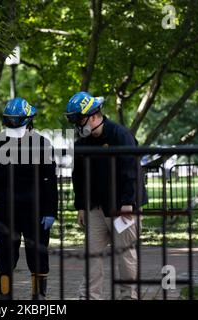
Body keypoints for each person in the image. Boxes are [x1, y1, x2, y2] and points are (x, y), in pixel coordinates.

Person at [64, 92, 147, 300]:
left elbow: (131, 171)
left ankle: (129, 297)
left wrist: (128, 202)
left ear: (93, 116)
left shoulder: (121, 135)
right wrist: (81, 206)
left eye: (78, 119)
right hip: (96, 208)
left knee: (125, 255)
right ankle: (90, 297)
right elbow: (79, 176)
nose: (76, 125)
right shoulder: (82, 142)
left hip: (122, 207)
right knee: (92, 256)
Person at [0, 97, 58, 300]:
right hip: (4, 209)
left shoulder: (42, 144)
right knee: (4, 255)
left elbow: (49, 181)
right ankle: (5, 295)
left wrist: (50, 211)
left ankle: (39, 296)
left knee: (37, 254)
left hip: (34, 210)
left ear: (29, 122)